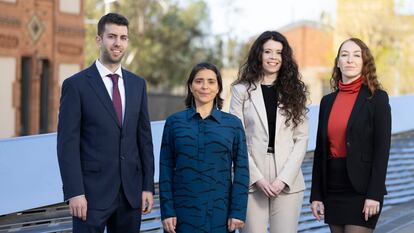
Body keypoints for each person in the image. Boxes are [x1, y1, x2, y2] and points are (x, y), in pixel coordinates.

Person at [57, 13, 154, 233]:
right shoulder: (76, 86)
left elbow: (144, 140)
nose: (117, 43)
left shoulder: (138, 85)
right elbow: (67, 144)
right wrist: (74, 192)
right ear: (99, 40)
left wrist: (147, 186)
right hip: (90, 196)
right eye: (111, 36)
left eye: (123, 37)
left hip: (130, 194)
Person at [229, 31, 309, 233]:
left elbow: (301, 139)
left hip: (287, 175)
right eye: (268, 52)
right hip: (251, 175)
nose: (273, 57)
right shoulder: (241, 90)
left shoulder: (295, 91)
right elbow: (236, 138)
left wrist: (283, 179)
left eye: (279, 53)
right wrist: (257, 178)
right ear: (259, 54)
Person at [310, 38, 392, 233]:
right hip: (333, 188)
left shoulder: (377, 98)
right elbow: (320, 151)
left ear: (364, 63)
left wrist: (375, 193)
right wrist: (316, 195)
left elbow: (382, 150)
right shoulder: (327, 102)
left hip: (362, 190)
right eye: (344, 55)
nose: (350, 60)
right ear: (338, 62)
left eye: (356, 55)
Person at [159, 62, 249, 233]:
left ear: (218, 88)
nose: (205, 86)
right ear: (190, 87)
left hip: (220, 214)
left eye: (211, 81)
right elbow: (165, 170)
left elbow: (242, 171)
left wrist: (237, 211)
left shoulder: (233, 125)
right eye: (199, 81)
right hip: (181, 214)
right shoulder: (174, 122)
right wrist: (167, 211)